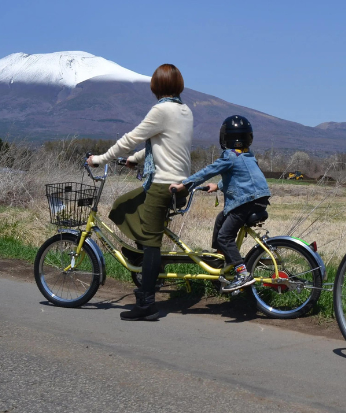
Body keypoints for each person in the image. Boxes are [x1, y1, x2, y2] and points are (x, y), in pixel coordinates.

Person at [88, 63, 193, 321]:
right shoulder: (184, 110)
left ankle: (146, 302)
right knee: (123, 205)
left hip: (163, 186)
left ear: (156, 87)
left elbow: (131, 138)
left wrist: (100, 158)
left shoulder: (161, 110)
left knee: (151, 243)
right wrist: (135, 159)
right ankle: (143, 263)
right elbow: (163, 145)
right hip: (180, 184)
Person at [169, 115, 271, 293]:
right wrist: (218, 186)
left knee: (225, 236)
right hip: (258, 200)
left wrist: (184, 184)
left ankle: (241, 273)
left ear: (226, 137)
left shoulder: (230, 156)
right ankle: (221, 257)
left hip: (245, 202)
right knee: (221, 218)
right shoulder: (247, 155)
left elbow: (208, 171)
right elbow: (242, 179)